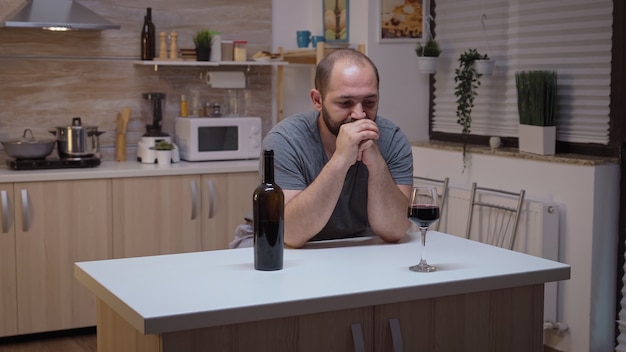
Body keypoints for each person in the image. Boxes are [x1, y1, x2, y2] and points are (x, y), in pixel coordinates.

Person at [262, 48, 414, 248]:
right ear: (318, 100)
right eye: (345, 103)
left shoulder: (392, 139)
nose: (360, 115)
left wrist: (376, 163)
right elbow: (289, 233)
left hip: (354, 246)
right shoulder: (285, 140)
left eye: (369, 102)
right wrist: (340, 160)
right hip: (278, 246)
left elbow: (395, 230)